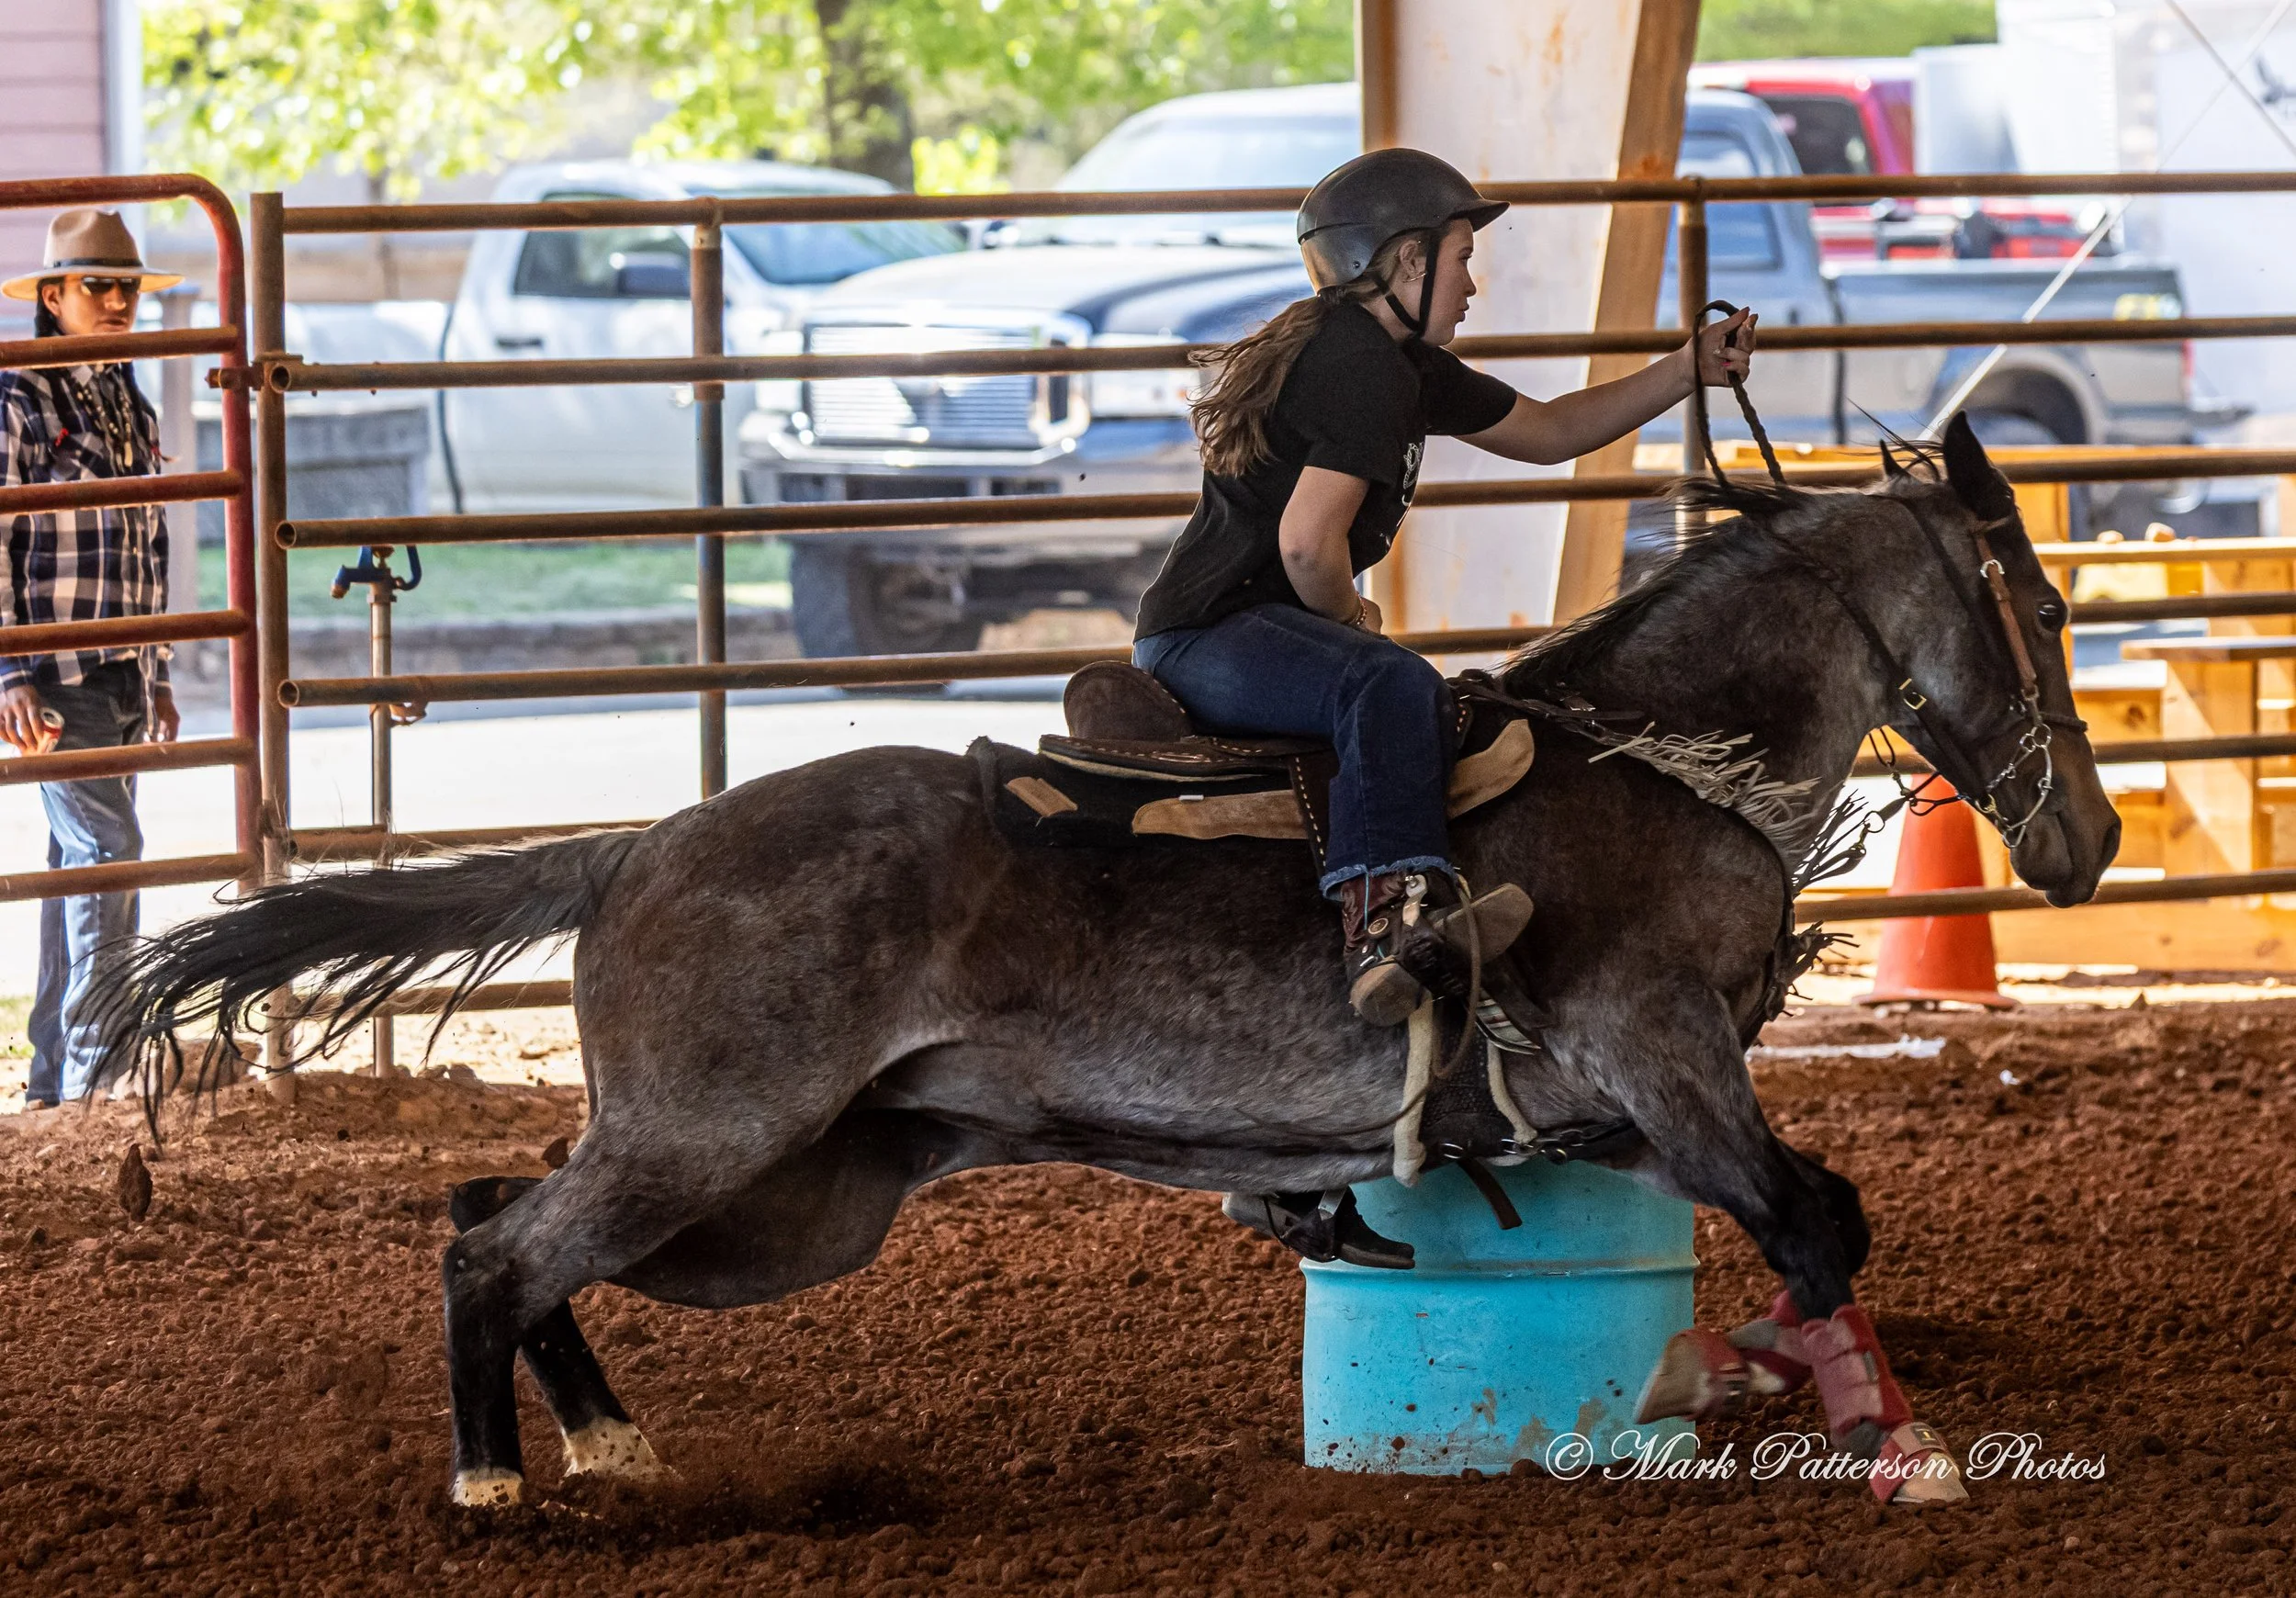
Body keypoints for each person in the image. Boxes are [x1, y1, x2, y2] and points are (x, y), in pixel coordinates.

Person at [1131, 149, 1756, 1266]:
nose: (1474, 283)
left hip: (1237, 630)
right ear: (1401, 261)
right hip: (1211, 637)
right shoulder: (1363, 370)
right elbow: (1307, 543)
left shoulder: (1395, 360)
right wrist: (1355, 626)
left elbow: (1553, 431)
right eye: (1463, 257)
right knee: (1391, 685)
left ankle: (1280, 1165)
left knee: (1395, 693)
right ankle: (1390, 922)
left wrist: (1686, 369)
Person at [0, 209, 185, 1108]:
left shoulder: (124, 397)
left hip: (113, 669)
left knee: (82, 857)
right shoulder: (19, 398)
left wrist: (157, 673)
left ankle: (53, 1077)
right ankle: (96, 1068)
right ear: (52, 296)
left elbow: (144, 544)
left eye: (126, 288)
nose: (116, 302)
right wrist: (8, 671)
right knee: (109, 850)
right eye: (95, 286)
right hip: (50, 670)